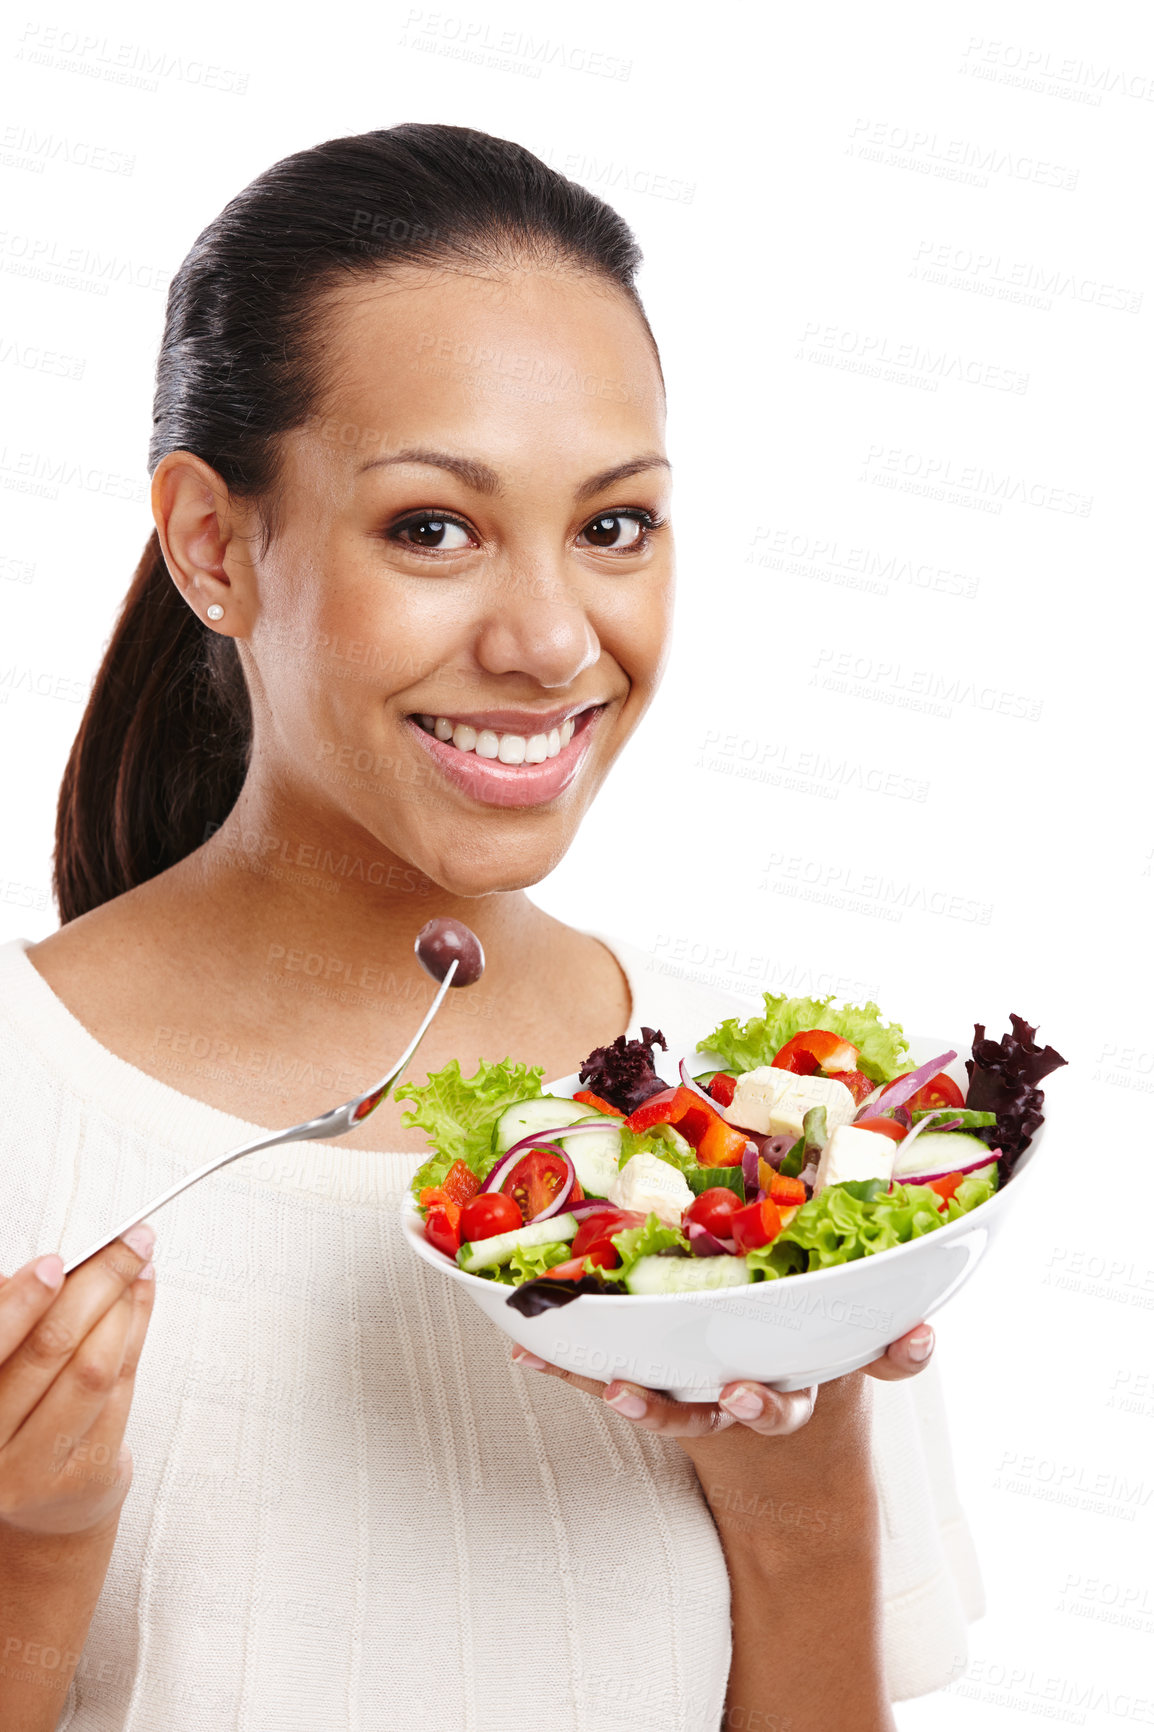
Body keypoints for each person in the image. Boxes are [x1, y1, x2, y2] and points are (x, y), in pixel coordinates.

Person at [0, 124, 982, 1731]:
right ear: (210, 543)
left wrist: (798, 1490)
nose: (547, 641)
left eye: (613, 527)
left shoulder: (759, 1142)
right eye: (433, 528)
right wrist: (28, 1551)